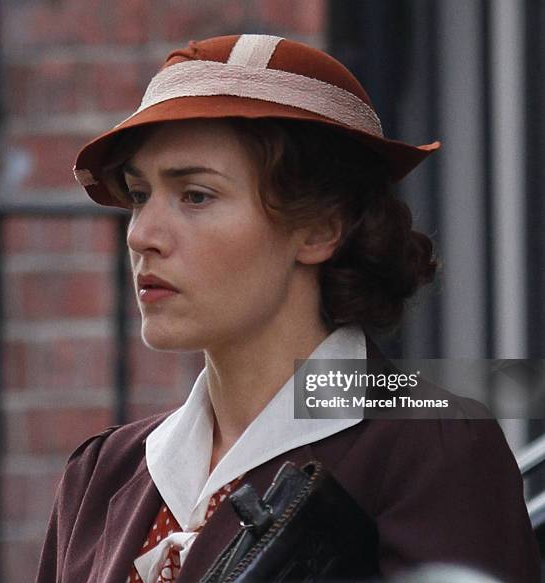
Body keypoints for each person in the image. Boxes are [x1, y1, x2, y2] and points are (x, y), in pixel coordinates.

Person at [36, 35, 539, 583]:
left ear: (321, 229)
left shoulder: (430, 446)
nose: (143, 235)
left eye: (196, 196)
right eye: (139, 195)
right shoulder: (105, 474)